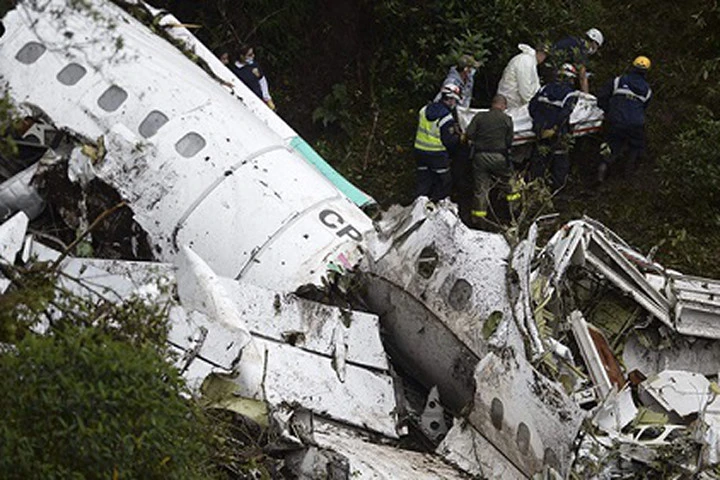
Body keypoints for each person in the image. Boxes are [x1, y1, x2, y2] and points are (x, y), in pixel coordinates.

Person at [596, 56, 652, 183]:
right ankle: (628, 176)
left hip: (616, 120)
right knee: (636, 146)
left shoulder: (618, 81)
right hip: (636, 123)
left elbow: (602, 97)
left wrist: (608, 111)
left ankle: (602, 170)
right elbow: (644, 108)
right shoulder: (647, 90)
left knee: (610, 145)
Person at [465, 94, 516, 227]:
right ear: (503, 105)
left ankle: (478, 220)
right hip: (499, 158)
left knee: (481, 189)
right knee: (510, 185)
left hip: (480, 158)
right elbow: (509, 141)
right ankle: (513, 214)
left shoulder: (479, 117)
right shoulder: (507, 119)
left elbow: (469, 134)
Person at [528, 63, 580, 191]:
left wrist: (539, 124)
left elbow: (532, 107)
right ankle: (557, 190)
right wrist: (555, 128)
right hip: (558, 132)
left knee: (540, 158)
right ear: (571, 79)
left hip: (541, 130)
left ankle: (535, 187)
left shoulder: (544, 88)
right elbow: (565, 113)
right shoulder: (571, 94)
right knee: (560, 160)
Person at [414, 84, 462, 202]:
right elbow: (449, 141)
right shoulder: (446, 117)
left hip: (419, 151)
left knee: (423, 180)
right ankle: (436, 208)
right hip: (437, 154)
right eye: (454, 100)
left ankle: (418, 209)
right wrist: (459, 138)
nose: (454, 103)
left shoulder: (424, 109)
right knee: (444, 182)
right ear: (450, 99)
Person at [550, 28, 604, 93]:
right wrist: (586, 96)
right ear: (594, 43)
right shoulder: (582, 48)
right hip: (554, 73)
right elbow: (582, 76)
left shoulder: (573, 41)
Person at [496, 43, 548, 110]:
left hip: (513, 101)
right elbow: (524, 87)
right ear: (541, 54)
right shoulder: (526, 61)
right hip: (510, 101)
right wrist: (533, 105)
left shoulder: (529, 61)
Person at [229, 45, 276, 110]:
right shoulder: (236, 69)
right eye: (249, 55)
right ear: (242, 56)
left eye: (252, 54)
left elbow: (262, 80)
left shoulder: (254, 65)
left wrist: (267, 98)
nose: (253, 56)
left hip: (259, 98)